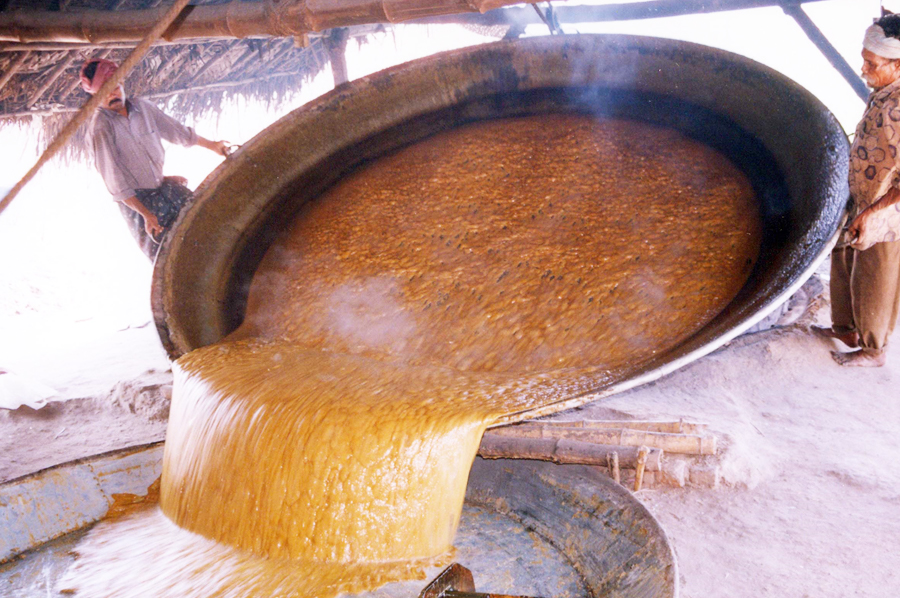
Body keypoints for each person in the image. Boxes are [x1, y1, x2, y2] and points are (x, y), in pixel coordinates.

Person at [812, 13, 900, 367]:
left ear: (897, 65)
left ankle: (873, 349)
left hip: (886, 210)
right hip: (862, 195)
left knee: (876, 275)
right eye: (864, 60)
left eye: (872, 64)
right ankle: (846, 329)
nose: (863, 70)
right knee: (844, 256)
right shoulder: (884, 92)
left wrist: (874, 211)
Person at [80, 58, 230, 260]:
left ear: (121, 82)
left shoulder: (143, 108)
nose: (111, 95)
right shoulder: (100, 128)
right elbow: (117, 186)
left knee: (209, 225)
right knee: (174, 257)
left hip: (164, 189)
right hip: (139, 206)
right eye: (102, 92)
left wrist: (213, 145)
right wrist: (146, 215)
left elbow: (179, 133)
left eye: (113, 87)